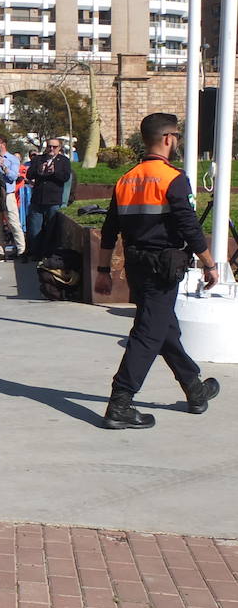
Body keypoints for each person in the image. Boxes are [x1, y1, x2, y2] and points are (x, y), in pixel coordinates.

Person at [94, 113, 220, 429]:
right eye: (176, 136)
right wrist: (210, 264)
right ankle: (120, 403)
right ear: (167, 139)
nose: (176, 141)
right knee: (149, 332)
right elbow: (189, 227)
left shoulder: (126, 179)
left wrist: (103, 269)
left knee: (164, 327)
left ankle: (195, 389)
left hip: (136, 266)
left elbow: (109, 229)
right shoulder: (172, 178)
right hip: (164, 267)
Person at [26, 139, 74, 260]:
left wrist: (54, 172)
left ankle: (48, 254)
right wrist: (39, 171)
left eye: (54, 147)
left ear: (59, 148)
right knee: (34, 229)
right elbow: (29, 175)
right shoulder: (38, 159)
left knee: (51, 229)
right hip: (38, 200)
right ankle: (36, 254)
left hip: (53, 200)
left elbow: (65, 177)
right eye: (49, 146)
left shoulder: (63, 161)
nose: (51, 149)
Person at [0, 135, 26, 262]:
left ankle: (21, 251)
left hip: (8, 195)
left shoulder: (12, 159)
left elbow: (13, 177)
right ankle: (0, 252)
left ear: (3, 144)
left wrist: (4, 168)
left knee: (13, 223)